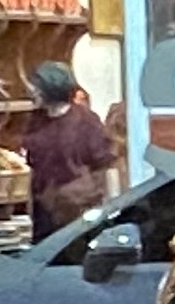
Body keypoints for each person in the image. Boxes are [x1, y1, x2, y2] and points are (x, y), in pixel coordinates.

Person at [13, 61, 118, 239]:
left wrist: (111, 207)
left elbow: (105, 165)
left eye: (37, 88)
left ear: (51, 89)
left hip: (79, 211)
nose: (32, 92)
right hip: (44, 212)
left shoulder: (86, 122)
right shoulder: (35, 120)